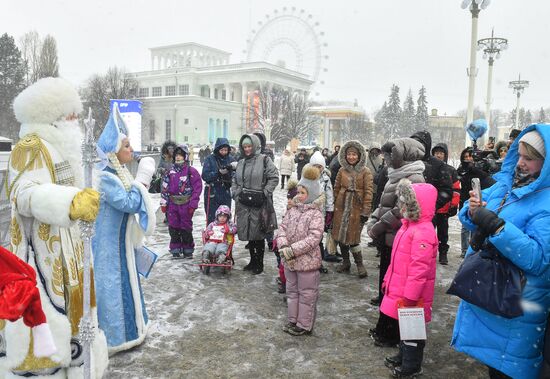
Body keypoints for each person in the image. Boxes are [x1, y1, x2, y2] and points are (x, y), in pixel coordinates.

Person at [3, 77, 108, 377]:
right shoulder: (31, 146)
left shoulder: (60, 146)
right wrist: (70, 202)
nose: (75, 119)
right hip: (43, 260)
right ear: (53, 115)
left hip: (70, 253)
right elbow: (23, 194)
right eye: (69, 112)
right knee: (47, 336)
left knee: (76, 324)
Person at [452, 126, 550, 379]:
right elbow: (471, 215)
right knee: (494, 365)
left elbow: (538, 260)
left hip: (516, 304)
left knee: (508, 368)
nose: (521, 163)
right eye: (519, 155)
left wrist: (497, 227)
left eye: (530, 158)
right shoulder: (506, 184)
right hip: (492, 293)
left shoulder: (546, 201)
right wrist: (473, 210)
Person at [93, 104, 157, 354]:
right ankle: (114, 338)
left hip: (120, 243)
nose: (131, 149)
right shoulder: (105, 176)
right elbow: (128, 202)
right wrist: (142, 180)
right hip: (108, 247)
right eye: (126, 145)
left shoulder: (117, 172)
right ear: (113, 150)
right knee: (112, 287)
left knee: (124, 283)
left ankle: (130, 331)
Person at [367, 137, 425, 345]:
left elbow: (401, 211)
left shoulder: (413, 177)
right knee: (386, 284)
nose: (387, 158)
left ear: (403, 155)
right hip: (389, 239)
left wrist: (379, 225)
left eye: (391, 154)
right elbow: (384, 204)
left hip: (400, 241)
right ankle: (384, 326)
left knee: (395, 288)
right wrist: (374, 218)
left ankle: (390, 331)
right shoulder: (396, 175)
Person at [381, 179, 438, 378]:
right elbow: (396, 260)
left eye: (406, 203)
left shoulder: (423, 232)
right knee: (405, 327)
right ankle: (404, 356)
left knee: (413, 331)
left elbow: (419, 269)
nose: (401, 207)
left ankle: (411, 366)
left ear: (417, 206)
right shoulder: (408, 227)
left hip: (414, 294)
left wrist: (411, 296)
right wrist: (388, 279)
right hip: (402, 288)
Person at [277, 165, 325, 336]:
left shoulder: (316, 214)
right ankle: (293, 319)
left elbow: (314, 238)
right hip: (290, 261)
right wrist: (283, 245)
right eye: (298, 191)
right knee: (292, 292)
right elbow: (282, 228)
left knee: (307, 295)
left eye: (303, 192)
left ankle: (304, 324)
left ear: (311, 194)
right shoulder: (293, 210)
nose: (299, 195)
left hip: (307, 262)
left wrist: (293, 250)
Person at [232, 134, 279, 274]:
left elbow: (274, 177)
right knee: (249, 234)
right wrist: (236, 193)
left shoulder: (265, 160)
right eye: (244, 147)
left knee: (258, 235)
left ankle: (259, 264)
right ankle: (252, 261)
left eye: (249, 146)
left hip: (259, 203)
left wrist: (265, 193)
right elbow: (235, 180)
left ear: (255, 146)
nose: (247, 149)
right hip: (244, 203)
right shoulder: (241, 162)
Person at [332, 140, 373, 278]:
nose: (351, 157)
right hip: (341, 207)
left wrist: (366, 210)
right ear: (345, 155)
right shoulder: (341, 170)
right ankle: (345, 262)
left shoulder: (365, 171)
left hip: (357, 208)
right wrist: (336, 203)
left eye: (354, 154)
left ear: (360, 155)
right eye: (349, 154)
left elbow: (368, 191)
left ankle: (359, 264)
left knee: (354, 238)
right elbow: (336, 188)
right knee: (341, 236)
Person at [161, 145, 203, 258]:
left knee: (185, 227)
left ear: (185, 157)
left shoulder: (191, 171)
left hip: (186, 204)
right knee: (173, 227)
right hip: (172, 204)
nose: (178, 158)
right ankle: (175, 248)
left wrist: (193, 203)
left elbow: (197, 188)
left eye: (181, 155)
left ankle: (188, 249)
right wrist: (163, 202)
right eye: (176, 155)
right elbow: (164, 188)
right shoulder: (169, 172)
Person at [456, 147, 495, 258]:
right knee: (464, 227)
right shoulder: (461, 170)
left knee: (475, 227)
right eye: (465, 157)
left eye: (470, 156)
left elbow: (487, 180)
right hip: (464, 200)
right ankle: (464, 249)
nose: (468, 159)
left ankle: (473, 248)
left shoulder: (478, 170)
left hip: (477, 201)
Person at [431, 143, 460, 265]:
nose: (439, 155)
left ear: (445, 155)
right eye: (436, 153)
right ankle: (428, 253)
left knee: (443, 234)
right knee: (428, 233)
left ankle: (443, 253)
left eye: (441, 153)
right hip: (430, 208)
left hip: (444, 208)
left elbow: (456, 189)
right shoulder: (428, 167)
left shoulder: (450, 170)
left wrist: (453, 205)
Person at [309, 152, 338, 263]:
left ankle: (318, 262)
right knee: (308, 237)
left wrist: (330, 211)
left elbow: (329, 196)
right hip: (308, 212)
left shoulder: (326, 179)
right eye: (315, 166)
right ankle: (310, 259)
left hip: (321, 213)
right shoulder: (307, 177)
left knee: (318, 238)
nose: (317, 169)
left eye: (319, 166)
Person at [201, 137, 235, 224]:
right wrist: (218, 173)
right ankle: (211, 235)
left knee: (225, 217)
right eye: (222, 150)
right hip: (212, 192)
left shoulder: (230, 159)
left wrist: (229, 175)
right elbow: (205, 176)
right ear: (217, 149)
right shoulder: (210, 159)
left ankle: (226, 235)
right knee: (212, 218)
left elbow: (236, 175)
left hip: (225, 192)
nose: (224, 152)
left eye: (226, 150)